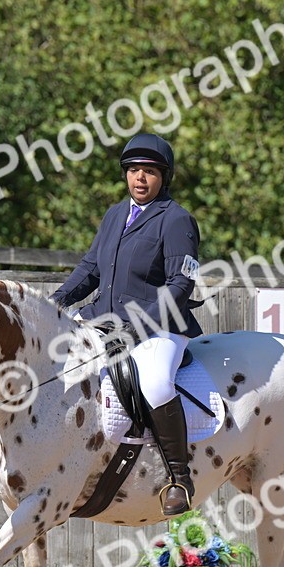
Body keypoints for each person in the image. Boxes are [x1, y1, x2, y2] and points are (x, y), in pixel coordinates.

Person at [52, 133, 202, 516]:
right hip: (105, 319)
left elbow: (181, 284)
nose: (139, 178)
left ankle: (179, 477)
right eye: (133, 170)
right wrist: (58, 301)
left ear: (162, 177)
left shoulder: (176, 219)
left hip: (161, 325)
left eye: (149, 171)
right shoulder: (115, 214)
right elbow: (91, 267)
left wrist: (139, 326)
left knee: (154, 382)